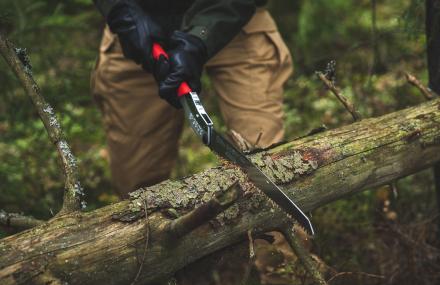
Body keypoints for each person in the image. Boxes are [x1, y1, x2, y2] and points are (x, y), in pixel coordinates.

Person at [91, 0, 293, 197]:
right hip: (137, 29)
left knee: (267, 164)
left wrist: (201, 36)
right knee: (135, 188)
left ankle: (273, 226)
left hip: (234, 21)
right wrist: (122, 11)